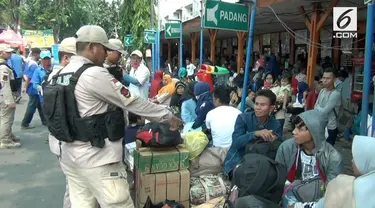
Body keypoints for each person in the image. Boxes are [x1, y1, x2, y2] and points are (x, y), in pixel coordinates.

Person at [45, 25, 179, 208]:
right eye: (104, 48)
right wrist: (167, 116)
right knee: (119, 204)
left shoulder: (59, 73)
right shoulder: (93, 73)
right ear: (92, 47)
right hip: (97, 159)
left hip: (70, 157)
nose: (106, 53)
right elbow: (132, 102)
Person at [276, 110, 343, 207]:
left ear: (315, 130)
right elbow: (279, 180)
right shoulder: (286, 148)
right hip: (290, 196)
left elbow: (331, 191)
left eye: (300, 128)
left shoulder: (333, 157)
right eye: (295, 127)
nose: (294, 132)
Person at [289, 135, 375, 208]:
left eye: (357, 158)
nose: (352, 160)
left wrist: (295, 206)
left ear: (367, 161)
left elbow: (321, 205)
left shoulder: (345, 186)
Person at [224, 89, 282, 178]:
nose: (258, 107)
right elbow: (236, 143)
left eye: (262, 105)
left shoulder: (275, 124)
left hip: (263, 162)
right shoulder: (243, 118)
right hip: (239, 160)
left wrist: (274, 141)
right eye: (256, 104)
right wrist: (255, 134)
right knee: (252, 177)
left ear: (271, 108)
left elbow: (279, 147)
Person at [47, 37, 77, 208]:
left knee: (73, 185)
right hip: (66, 142)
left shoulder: (53, 76)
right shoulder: (64, 77)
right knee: (73, 187)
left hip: (59, 140)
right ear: (66, 58)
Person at [0, 44, 21, 148]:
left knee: (4, 117)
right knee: (7, 118)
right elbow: (5, 85)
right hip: (4, 96)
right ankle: (5, 140)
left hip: (3, 95)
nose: (10, 54)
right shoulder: (3, 67)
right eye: (7, 52)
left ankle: (8, 134)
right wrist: (9, 100)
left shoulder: (4, 64)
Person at [314, 69, 341, 146]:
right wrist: (319, 108)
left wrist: (318, 108)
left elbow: (324, 112)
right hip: (320, 125)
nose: (324, 80)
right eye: (323, 78)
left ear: (334, 79)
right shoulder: (322, 91)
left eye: (328, 78)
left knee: (327, 151)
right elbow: (315, 106)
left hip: (330, 127)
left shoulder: (335, 94)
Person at [21, 48, 41, 129]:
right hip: (33, 88)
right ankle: (25, 123)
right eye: (39, 54)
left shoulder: (28, 62)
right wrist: (25, 87)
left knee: (40, 104)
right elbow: (29, 78)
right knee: (32, 106)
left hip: (32, 87)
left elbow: (25, 74)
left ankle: (45, 120)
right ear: (36, 54)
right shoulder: (33, 65)